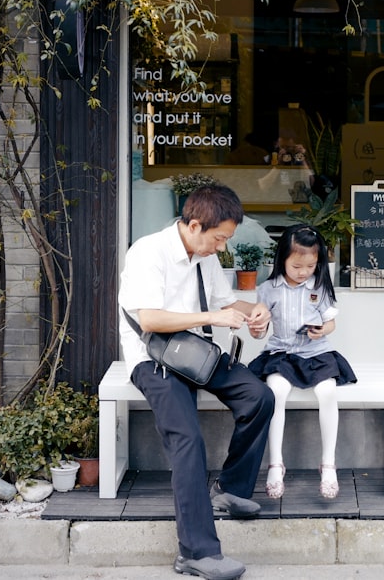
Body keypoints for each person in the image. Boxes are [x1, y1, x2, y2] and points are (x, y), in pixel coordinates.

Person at [118, 184, 274, 580]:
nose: (221, 248)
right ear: (193, 225)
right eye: (219, 238)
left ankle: (231, 492)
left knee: (259, 397)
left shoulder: (203, 256)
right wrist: (214, 320)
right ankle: (195, 552)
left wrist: (255, 311)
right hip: (154, 360)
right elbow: (150, 319)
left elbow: (225, 304)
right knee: (187, 439)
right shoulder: (148, 253)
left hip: (195, 355)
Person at [246, 224, 357, 500]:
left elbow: (330, 323)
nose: (303, 271)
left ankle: (328, 464)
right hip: (281, 354)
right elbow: (260, 328)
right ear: (282, 258)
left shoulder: (319, 286)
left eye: (310, 265)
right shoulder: (268, 289)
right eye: (296, 265)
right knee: (276, 393)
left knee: (327, 392)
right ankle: (275, 463)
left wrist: (322, 329)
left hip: (316, 353)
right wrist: (257, 328)